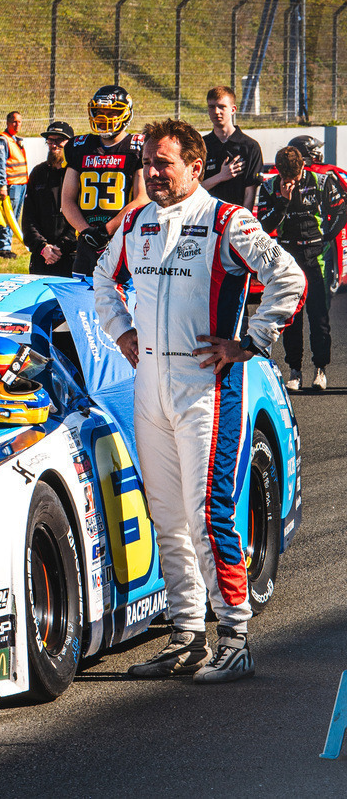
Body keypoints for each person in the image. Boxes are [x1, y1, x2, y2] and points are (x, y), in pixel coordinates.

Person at [93, 119, 305, 683]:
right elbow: (101, 280)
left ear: (194, 165)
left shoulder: (227, 220)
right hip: (149, 387)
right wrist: (121, 331)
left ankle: (234, 637)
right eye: (146, 162)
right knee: (166, 517)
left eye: (162, 162)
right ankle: (186, 635)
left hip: (207, 389)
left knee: (207, 515)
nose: (151, 172)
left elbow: (289, 278)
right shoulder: (135, 222)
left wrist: (250, 342)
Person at [256, 146, 347, 392]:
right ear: (279, 172)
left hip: (317, 256)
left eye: (295, 177)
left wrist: (327, 236)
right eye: (287, 178)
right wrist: (283, 202)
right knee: (291, 317)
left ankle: (320, 369)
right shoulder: (269, 187)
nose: (292, 182)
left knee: (319, 316)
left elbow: (341, 209)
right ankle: (294, 371)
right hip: (288, 258)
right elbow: (264, 225)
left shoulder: (321, 182)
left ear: (303, 167)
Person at [62, 85, 148, 276]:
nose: (104, 118)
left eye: (111, 113)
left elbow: (142, 198)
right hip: (87, 242)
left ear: (126, 114)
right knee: (82, 291)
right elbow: (67, 200)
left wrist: (106, 230)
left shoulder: (137, 147)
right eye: (100, 112)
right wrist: (87, 232)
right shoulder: (80, 146)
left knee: (121, 292)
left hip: (123, 239)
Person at [284, 135, 347, 294]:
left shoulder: (281, 175)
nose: (318, 153)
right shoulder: (326, 171)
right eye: (314, 150)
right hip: (324, 232)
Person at [22, 121, 77, 277]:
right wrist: (42, 247)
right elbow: (28, 218)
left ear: (70, 143)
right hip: (42, 256)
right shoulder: (38, 172)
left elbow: (81, 216)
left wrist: (61, 247)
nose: (54, 145)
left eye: (59, 140)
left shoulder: (77, 173)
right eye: (50, 140)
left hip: (70, 254)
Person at [201, 85, 263, 210]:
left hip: (235, 216)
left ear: (233, 109)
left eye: (222, 107)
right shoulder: (200, 145)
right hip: (205, 216)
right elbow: (193, 190)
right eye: (212, 107)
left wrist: (243, 219)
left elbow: (250, 192)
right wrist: (221, 176)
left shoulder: (250, 147)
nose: (216, 111)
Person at [0, 111, 28, 259]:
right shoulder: (3, 140)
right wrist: (2, 185)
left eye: (19, 122)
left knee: (15, 218)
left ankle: (8, 245)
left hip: (21, 184)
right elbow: (0, 163)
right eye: (14, 121)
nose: (17, 124)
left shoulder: (16, 140)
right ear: (8, 123)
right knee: (8, 217)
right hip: (11, 185)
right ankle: (4, 248)